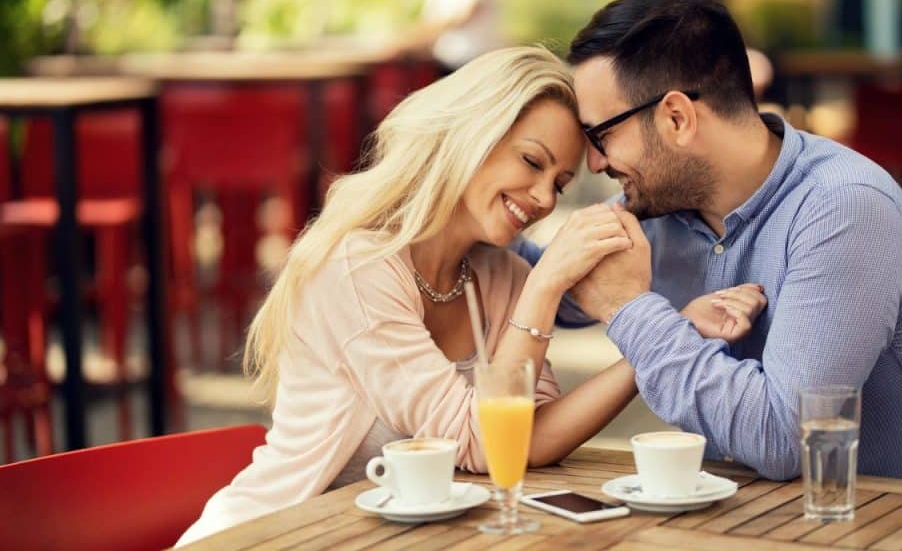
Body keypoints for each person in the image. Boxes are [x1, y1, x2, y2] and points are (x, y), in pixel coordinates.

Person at [177, 46, 764, 546]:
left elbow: (524, 441)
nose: (541, 198)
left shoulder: (499, 276)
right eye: (531, 161)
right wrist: (546, 285)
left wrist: (663, 340)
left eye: (559, 183)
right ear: (471, 134)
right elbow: (479, 444)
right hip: (275, 534)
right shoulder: (358, 269)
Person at [516, 0, 902, 483]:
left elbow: (786, 440)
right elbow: (533, 283)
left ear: (677, 118)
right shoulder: (657, 209)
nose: (593, 162)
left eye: (601, 135)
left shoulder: (844, 209)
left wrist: (628, 311)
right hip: (716, 521)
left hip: (875, 527)